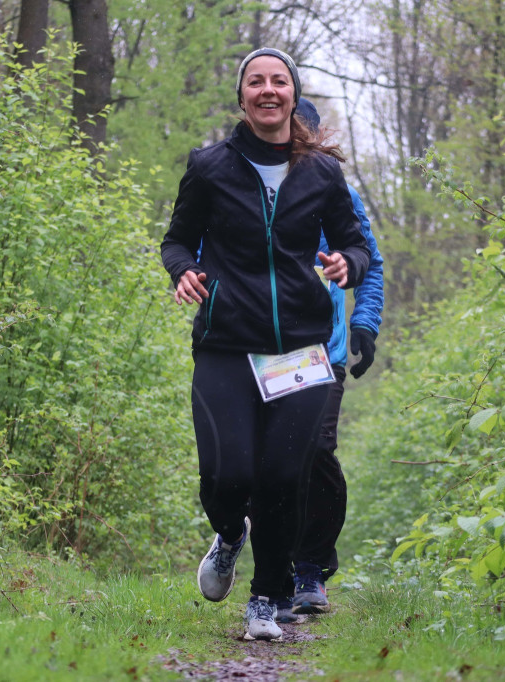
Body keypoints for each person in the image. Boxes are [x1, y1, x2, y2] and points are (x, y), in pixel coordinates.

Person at [159, 47, 371, 642]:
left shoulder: (321, 173)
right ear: (242, 96)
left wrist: (346, 265)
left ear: (292, 95)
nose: (268, 90)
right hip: (226, 343)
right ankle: (230, 534)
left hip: (299, 348)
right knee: (226, 474)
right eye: (257, 81)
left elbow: (356, 244)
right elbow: (176, 241)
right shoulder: (209, 167)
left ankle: (267, 598)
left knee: (283, 475)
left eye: (279, 81)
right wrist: (183, 271)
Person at [275, 98, 385, 621]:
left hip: (324, 351)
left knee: (315, 451)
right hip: (262, 348)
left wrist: (365, 322)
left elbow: (370, 261)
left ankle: (310, 569)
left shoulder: (338, 191)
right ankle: (274, 572)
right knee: (271, 461)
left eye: (303, 135)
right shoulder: (250, 187)